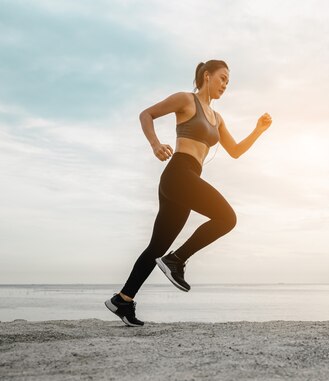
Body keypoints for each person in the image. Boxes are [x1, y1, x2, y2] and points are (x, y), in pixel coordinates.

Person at [105, 59, 272, 326]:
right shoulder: (185, 100)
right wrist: (155, 144)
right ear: (207, 76)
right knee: (227, 218)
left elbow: (236, 151)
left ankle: (123, 300)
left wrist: (259, 130)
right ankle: (177, 260)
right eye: (222, 78)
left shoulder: (218, 119)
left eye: (228, 82)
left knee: (157, 246)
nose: (225, 85)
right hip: (177, 173)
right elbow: (146, 114)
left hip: (187, 179)